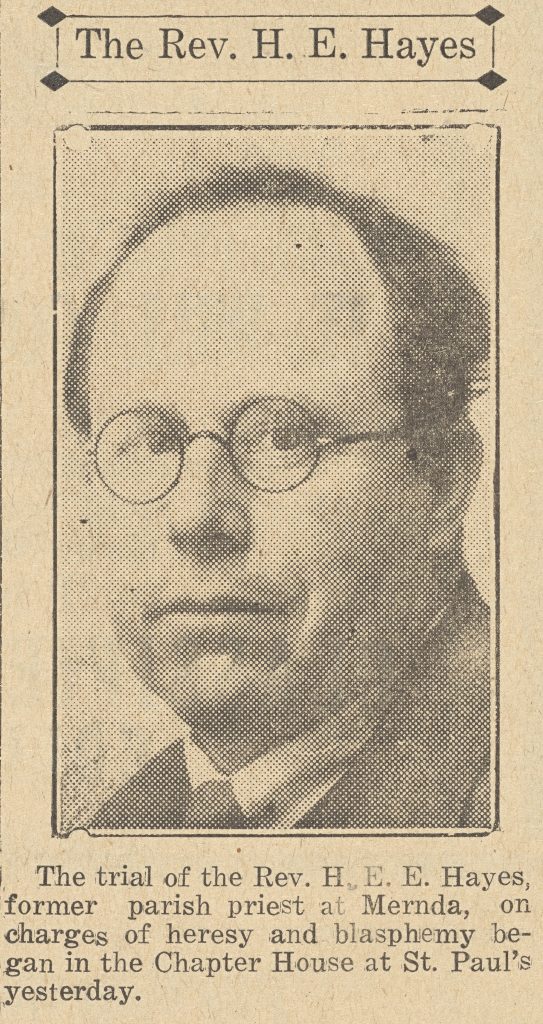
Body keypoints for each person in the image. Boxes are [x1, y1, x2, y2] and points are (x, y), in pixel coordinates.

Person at [63, 164, 493, 831]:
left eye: (282, 436)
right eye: (149, 444)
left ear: (440, 481)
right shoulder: (116, 827)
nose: (197, 516)